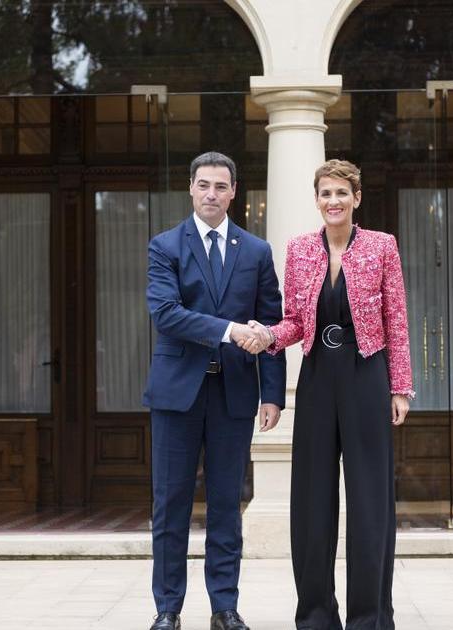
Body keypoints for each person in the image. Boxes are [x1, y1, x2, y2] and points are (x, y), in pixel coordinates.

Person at [262, 159, 414, 630]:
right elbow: (294, 322)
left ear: (356, 198)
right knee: (312, 499)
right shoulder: (300, 249)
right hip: (316, 376)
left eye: (341, 193)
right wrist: (267, 336)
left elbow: (396, 319)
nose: (334, 201)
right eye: (326, 193)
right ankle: (315, 616)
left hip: (366, 373)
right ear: (316, 200)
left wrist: (400, 387)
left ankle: (370, 618)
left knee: (370, 500)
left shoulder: (382, 246)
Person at [143, 151, 286, 630]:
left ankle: (225, 607)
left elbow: (269, 324)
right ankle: (167, 609)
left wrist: (272, 393)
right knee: (170, 505)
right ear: (190, 188)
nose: (211, 194)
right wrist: (229, 331)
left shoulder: (257, 251)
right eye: (203, 184)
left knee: (226, 505)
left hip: (234, 395)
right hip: (176, 396)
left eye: (221, 186)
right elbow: (166, 314)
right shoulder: (165, 246)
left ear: (233, 192)